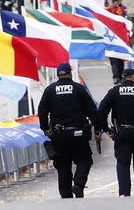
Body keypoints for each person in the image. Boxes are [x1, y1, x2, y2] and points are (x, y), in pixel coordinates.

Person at [38, 63, 100, 198]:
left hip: (59, 136)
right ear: (70, 74)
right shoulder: (79, 89)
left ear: (58, 74)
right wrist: (98, 128)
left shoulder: (50, 90)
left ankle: (66, 198)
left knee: (63, 167)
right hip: (78, 134)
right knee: (84, 160)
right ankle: (78, 184)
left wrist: (46, 128)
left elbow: (42, 112)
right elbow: (92, 111)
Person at [98, 69, 134, 196]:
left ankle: (124, 194)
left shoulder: (114, 91)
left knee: (122, 164)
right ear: (133, 77)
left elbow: (101, 111)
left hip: (121, 133)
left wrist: (106, 130)